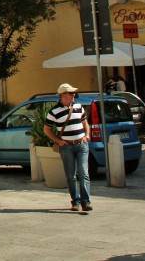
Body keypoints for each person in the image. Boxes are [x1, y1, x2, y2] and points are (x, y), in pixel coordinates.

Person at [44, 83, 92, 213]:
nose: (74, 95)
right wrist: (58, 140)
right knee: (71, 175)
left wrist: (86, 135)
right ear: (63, 95)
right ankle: (75, 202)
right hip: (66, 147)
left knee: (84, 172)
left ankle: (86, 201)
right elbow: (47, 129)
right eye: (71, 93)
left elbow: (85, 123)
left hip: (81, 144)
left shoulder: (78, 107)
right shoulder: (54, 112)